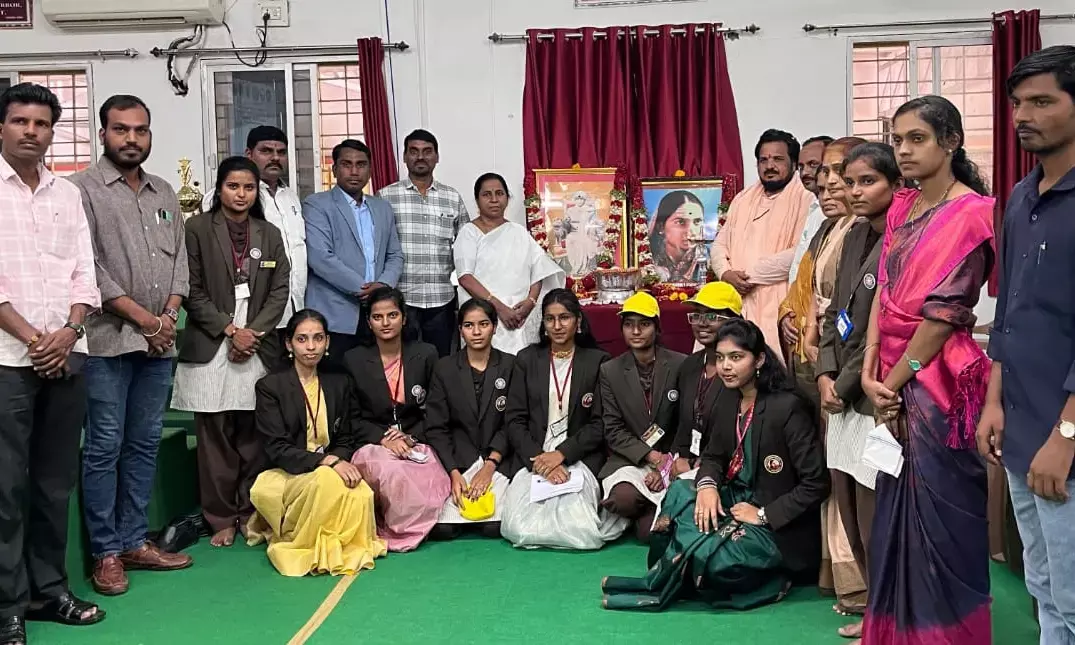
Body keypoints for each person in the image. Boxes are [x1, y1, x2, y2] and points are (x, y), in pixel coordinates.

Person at [859, 95, 995, 645]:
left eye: (917, 139)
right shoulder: (902, 207)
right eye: (897, 140)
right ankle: (896, 629)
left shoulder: (974, 215)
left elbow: (943, 317)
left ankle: (944, 634)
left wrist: (889, 385)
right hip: (889, 375)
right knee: (895, 511)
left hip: (938, 384)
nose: (904, 150)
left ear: (951, 142)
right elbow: (886, 291)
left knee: (943, 515)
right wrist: (869, 366)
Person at [600, 319, 828, 611]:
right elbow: (713, 457)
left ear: (759, 360)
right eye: (720, 358)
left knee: (721, 565)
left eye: (736, 357)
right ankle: (672, 576)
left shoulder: (787, 407)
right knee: (680, 492)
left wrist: (762, 515)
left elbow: (816, 484)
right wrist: (707, 486)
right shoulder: (728, 399)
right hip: (733, 497)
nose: (726, 367)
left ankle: (673, 581)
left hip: (775, 520)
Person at [70, 94, 193, 596]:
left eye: (140, 130)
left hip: (157, 346)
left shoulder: (164, 191)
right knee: (105, 446)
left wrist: (167, 317)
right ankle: (105, 553)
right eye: (121, 129)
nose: (131, 139)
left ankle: (133, 541)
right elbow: (88, 267)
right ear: (103, 134)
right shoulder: (80, 191)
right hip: (106, 343)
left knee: (143, 443)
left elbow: (180, 262)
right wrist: (147, 320)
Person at [0, 82, 104, 644]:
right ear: (1, 126)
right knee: (6, 488)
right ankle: (7, 605)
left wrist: (68, 332)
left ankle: (48, 591)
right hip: (7, 360)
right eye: (21, 121)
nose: (31, 131)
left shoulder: (67, 194)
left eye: (41, 124)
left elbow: (84, 271)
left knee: (54, 484)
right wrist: (33, 339)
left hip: (67, 354)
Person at [978, 46, 1075, 645]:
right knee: (1043, 588)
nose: (1023, 116)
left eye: (1042, 101)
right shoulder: (1021, 196)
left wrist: (1066, 436)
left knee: (1073, 597)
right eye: (1017, 103)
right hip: (1021, 425)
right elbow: (1008, 310)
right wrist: (995, 401)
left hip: (1065, 437)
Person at [171, 156, 291, 548]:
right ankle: (220, 517)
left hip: (257, 342)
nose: (241, 194)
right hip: (212, 341)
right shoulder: (196, 228)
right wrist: (229, 331)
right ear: (219, 189)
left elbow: (280, 290)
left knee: (254, 436)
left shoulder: (269, 233)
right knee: (214, 438)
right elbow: (190, 288)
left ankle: (251, 511)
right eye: (233, 186)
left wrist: (251, 333)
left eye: (249, 188)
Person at [816, 142, 901, 640]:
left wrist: (842, 385)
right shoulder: (851, 234)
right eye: (850, 182)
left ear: (896, 184)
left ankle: (889, 615)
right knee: (846, 506)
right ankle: (873, 608)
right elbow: (834, 313)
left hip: (871, 392)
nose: (854, 191)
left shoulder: (901, 237)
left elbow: (879, 325)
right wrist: (824, 373)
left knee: (874, 516)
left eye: (867, 181)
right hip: (840, 389)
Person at [247, 309, 387, 576]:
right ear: (289, 344)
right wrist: (327, 461)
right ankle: (314, 548)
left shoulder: (339, 383)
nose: (311, 347)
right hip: (288, 473)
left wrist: (336, 460)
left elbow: (346, 437)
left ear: (327, 342)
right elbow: (277, 448)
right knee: (327, 481)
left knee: (361, 492)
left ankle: (339, 545)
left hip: (331, 467)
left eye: (318, 338)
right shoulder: (270, 387)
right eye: (302, 339)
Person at [500, 289, 623, 549]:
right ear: (543, 324)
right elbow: (514, 419)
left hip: (578, 456)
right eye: (550, 319)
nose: (557, 326)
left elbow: (600, 423)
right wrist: (541, 459)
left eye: (564, 317)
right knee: (518, 526)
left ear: (578, 321)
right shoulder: (527, 359)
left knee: (580, 528)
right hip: (534, 456)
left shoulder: (597, 361)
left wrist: (562, 455)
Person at [345, 287, 448, 552]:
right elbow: (351, 417)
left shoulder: (425, 354)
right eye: (377, 317)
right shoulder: (354, 359)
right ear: (368, 322)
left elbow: (437, 408)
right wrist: (383, 439)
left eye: (392, 315)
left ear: (404, 317)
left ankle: (419, 524)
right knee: (392, 472)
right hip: (373, 443)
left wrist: (411, 437)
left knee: (433, 478)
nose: (386, 322)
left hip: (416, 439)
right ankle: (396, 531)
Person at [711, 129, 816, 357]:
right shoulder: (743, 198)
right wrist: (726, 273)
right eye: (763, 160)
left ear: (794, 163)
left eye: (778, 159)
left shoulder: (807, 198)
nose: (770, 166)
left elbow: (802, 252)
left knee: (771, 364)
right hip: (736, 297)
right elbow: (719, 243)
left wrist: (747, 276)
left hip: (778, 297)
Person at [204, 126, 308, 354]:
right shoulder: (231, 197)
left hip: (293, 310)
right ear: (249, 154)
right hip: (249, 316)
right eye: (266, 151)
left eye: (281, 152)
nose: (275, 158)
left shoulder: (291, 197)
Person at [304, 139, 404, 367]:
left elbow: (395, 255)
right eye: (346, 164)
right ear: (334, 169)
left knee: (375, 379)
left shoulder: (382, 207)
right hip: (335, 313)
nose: (354, 171)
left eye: (361, 164)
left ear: (370, 169)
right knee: (335, 379)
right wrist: (366, 289)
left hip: (378, 313)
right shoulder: (317, 204)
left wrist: (383, 286)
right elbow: (320, 257)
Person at [598, 292, 686, 542]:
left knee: (649, 535)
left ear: (657, 328)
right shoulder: (610, 370)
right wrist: (651, 456)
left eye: (644, 324)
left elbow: (686, 422)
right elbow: (613, 429)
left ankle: (648, 510)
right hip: (631, 459)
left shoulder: (680, 364)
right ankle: (649, 505)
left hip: (672, 458)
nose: (636, 331)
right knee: (621, 500)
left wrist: (666, 465)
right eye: (629, 324)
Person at [425, 299, 516, 539]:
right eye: (468, 325)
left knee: (493, 527)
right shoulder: (444, 368)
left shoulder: (511, 365)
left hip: (499, 460)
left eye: (483, 324)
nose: (476, 332)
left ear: (495, 327)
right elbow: (436, 427)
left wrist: (490, 465)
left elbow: (513, 422)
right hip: (457, 460)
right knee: (444, 529)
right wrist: (453, 471)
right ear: (460, 329)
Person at [779, 137, 866, 388]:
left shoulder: (863, 227)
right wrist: (804, 329)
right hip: (816, 337)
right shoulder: (828, 225)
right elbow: (809, 283)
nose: (830, 183)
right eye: (826, 173)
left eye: (838, 171)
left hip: (846, 345)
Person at [379, 129, 470, 358]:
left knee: (441, 363)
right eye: (414, 151)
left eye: (427, 151)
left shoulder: (452, 197)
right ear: (404, 156)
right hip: (400, 299)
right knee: (402, 362)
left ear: (437, 157)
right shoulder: (386, 197)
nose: (420, 157)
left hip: (442, 299)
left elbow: (466, 246)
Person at [454, 172, 565, 354]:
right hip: (485, 317)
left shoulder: (519, 232)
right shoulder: (469, 233)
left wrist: (530, 302)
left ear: (507, 198)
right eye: (487, 194)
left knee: (522, 365)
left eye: (499, 193)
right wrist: (499, 308)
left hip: (521, 318)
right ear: (477, 200)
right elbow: (465, 277)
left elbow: (540, 269)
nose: (494, 199)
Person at [670, 282, 743, 478]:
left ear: (733, 321)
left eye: (711, 316)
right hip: (688, 465)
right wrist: (679, 459)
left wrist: (699, 464)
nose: (702, 323)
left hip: (728, 470)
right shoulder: (689, 365)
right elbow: (683, 425)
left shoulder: (742, 370)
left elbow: (740, 433)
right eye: (697, 316)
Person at [649, 190, 708, 283]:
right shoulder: (648, 259)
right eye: (680, 222)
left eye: (697, 221)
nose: (691, 231)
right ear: (661, 227)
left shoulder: (710, 258)